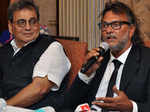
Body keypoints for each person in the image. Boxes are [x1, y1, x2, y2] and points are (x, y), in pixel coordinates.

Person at [62, 1, 150, 112]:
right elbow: (67, 104)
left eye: (115, 25)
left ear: (131, 30)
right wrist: (85, 75)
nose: (108, 30)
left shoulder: (146, 60)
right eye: (104, 25)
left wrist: (131, 107)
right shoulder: (97, 59)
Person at [0, 0, 71, 111]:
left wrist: (4, 107)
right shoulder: (4, 50)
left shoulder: (52, 48)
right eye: (21, 22)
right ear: (10, 27)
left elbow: (39, 89)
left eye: (33, 21)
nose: (28, 27)